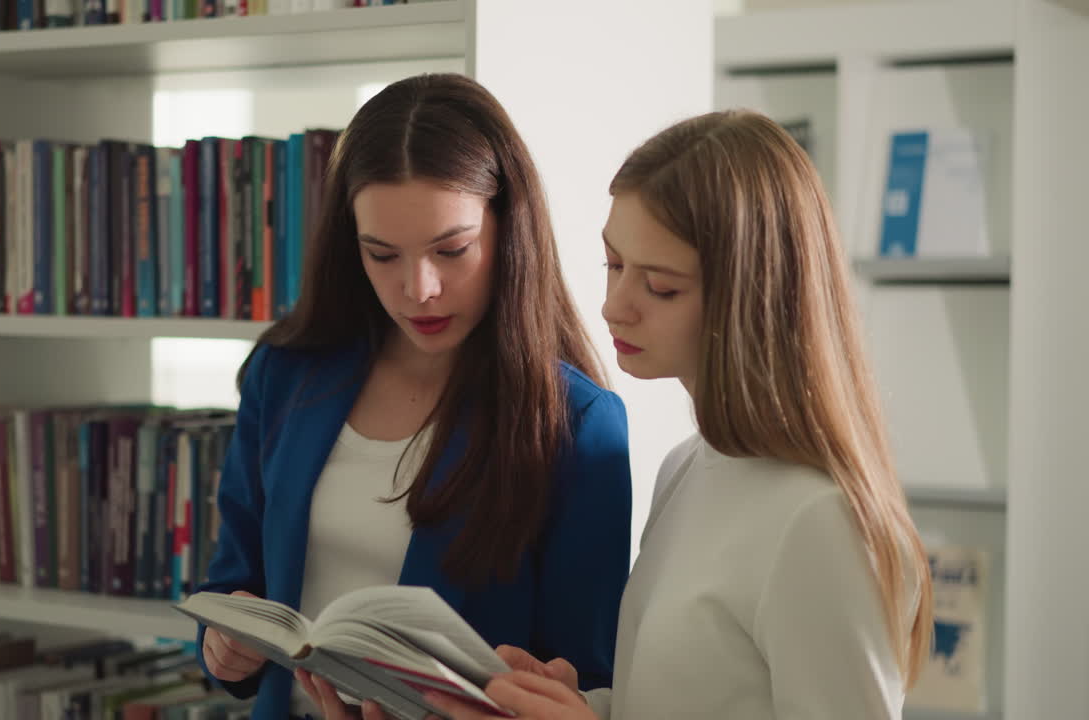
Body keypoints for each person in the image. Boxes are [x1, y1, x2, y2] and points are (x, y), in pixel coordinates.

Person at [430, 109, 935, 720]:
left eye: (661, 287)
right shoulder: (688, 468)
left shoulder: (820, 522)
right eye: (613, 265)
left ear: (748, 295)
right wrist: (579, 705)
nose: (615, 307)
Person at [195, 72, 634, 720]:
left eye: (451, 250)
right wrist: (222, 642)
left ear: (507, 229)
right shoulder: (284, 375)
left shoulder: (575, 425)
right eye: (382, 255)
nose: (418, 288)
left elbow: (585, 679)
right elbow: (234, 583)